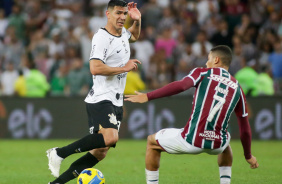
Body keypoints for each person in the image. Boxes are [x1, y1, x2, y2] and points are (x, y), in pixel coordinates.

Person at [125, 45, 259, 184]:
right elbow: (245, 128)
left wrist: (148, 96)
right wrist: (248, 155)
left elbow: (181, 86)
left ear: (216, 60)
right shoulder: (237, 88)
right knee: (226, 144)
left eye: (208, 59)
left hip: (191, 139)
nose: (206, 63)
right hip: (217, 143)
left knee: (152, 142)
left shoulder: (203, 73)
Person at [46, 1, 141, 184]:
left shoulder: (122, 34)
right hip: (101, 97)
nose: (122, 17)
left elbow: (134, 37)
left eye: (124, 14)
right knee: (111, 137)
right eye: (118, 13)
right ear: (108, 14)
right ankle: (59, 153)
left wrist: (137, 20)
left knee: (101, 151)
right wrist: (124, 68)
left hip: (116, 100)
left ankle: (56, 183)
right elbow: (95, 68)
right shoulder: (101, 37)